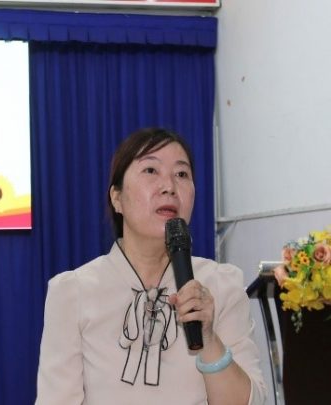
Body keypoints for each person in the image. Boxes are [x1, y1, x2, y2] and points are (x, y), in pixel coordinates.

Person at [35, 128, 266, 404]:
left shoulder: (221, 284)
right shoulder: (73, 291)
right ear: (116, 198)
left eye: (182, 174)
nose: (169, 186)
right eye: (151, 171)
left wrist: (208, 337)